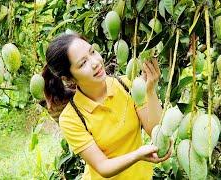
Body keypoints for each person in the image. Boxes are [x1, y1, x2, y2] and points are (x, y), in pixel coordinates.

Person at [42, 33, 171, 179]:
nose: (95, 62)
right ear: (69, 78)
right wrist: (138, 155)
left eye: (92, 52)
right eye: (83, 63)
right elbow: (103, 166)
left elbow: (153, 128)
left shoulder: (126, 85)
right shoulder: (71, 118)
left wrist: (150, 90)